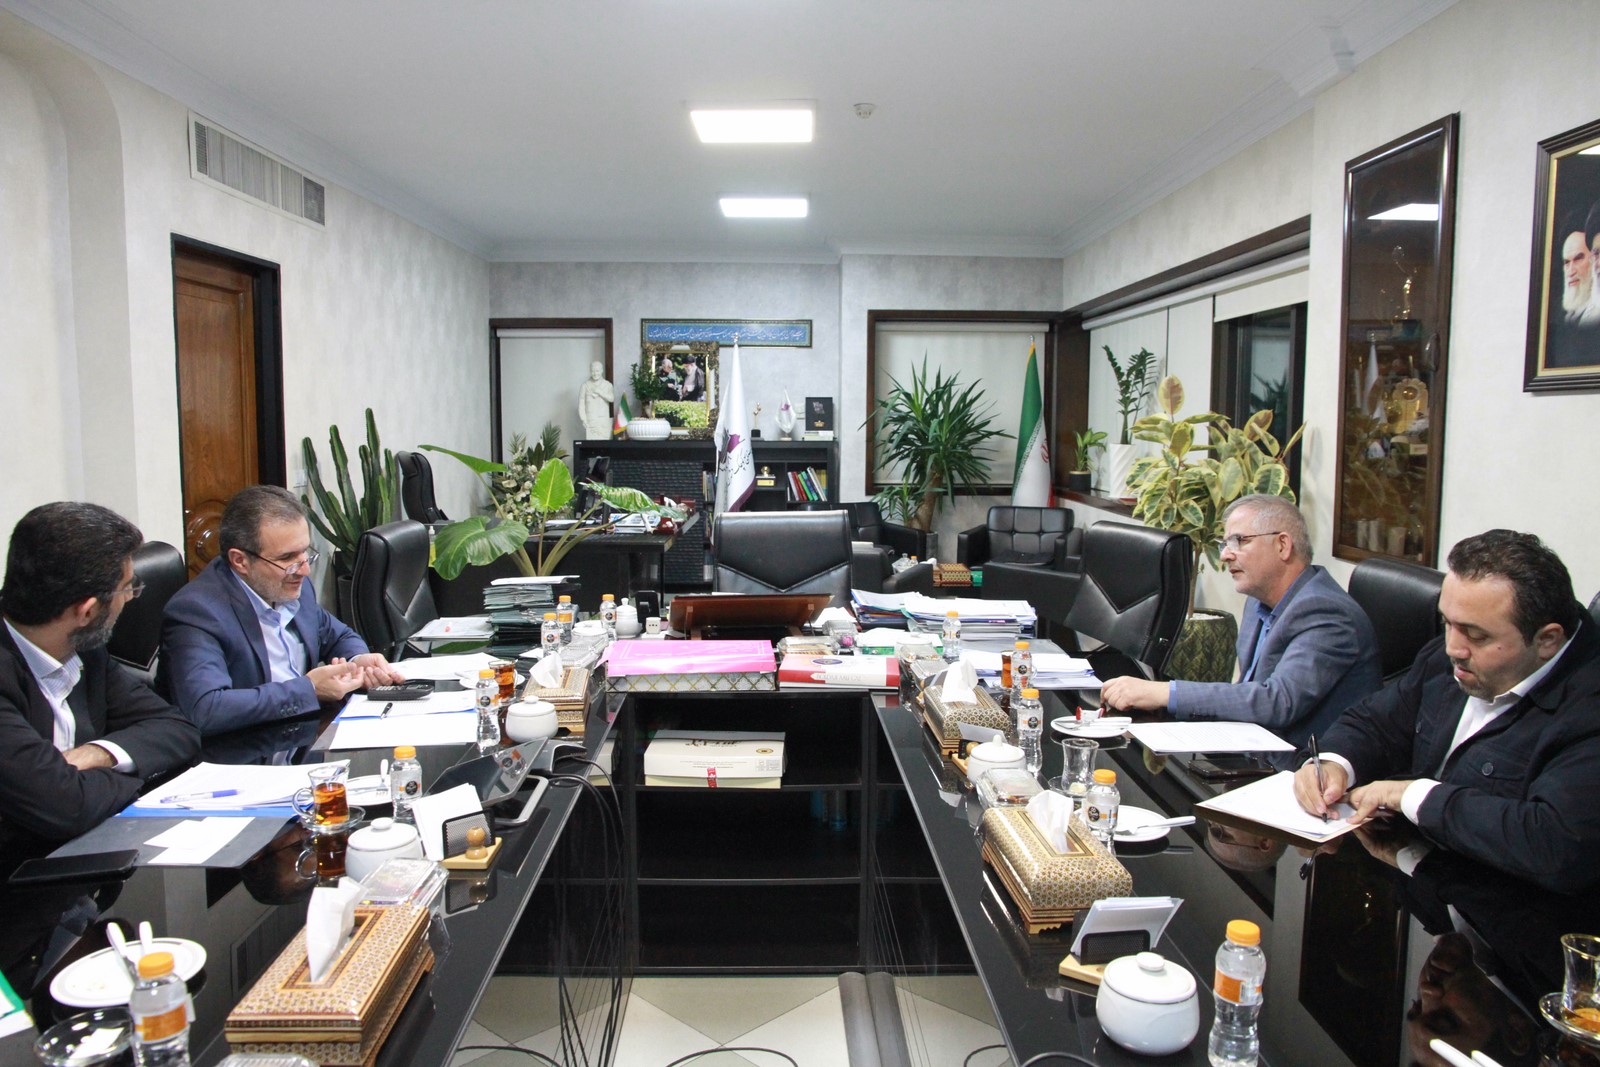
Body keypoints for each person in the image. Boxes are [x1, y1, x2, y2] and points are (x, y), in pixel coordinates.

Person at [1293, 529, 1600, 893]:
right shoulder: (1451, 657)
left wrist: (1413, 797)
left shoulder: (1587, 707)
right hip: (1421, 878)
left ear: (1547, 639)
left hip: (1511, 906)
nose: (1453, 647)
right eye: (1447, 623)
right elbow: (1377, 722)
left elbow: (1555, 842)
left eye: (1476, 635)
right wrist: (1334, 764)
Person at [1100, 495, 1381, 746]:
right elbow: (1247, 690)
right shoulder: (1258, 601)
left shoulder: (1326, 612)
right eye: (1225, 543)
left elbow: (1277, 701)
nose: (1225, 555)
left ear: (1283, 545)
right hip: (1252, 746)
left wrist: (1166, 693)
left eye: (1239, 541)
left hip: (1305, 768)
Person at [0, 503, 199, 844]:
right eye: (127, 587)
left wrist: (99, 754)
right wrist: (142, 777)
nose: (131, 597)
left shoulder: (84, 649)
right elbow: (67, 808)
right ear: (87, 612)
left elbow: (178, 729)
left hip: (89, 847)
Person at [158, 486, 403, 735]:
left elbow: (339, 636)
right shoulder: (196, 612)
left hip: (302, 734)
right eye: (287, 558)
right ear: (240, 561)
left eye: (305, 553)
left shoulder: (294, 586)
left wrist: (357, 661)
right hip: (243, 746)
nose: (304, 570)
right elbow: (206, 709)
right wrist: (309, 690)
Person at [577, 361, 615, 440]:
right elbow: (581, 404)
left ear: (602, 371)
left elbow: (611, 399)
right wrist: (583, 419)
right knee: (591, 444)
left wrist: (600, 392)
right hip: (591, 420)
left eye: (597, 371)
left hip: (603, 421)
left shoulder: (607, 385)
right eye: (593, 371)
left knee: (604, 444)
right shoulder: (585, 386)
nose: (595, 373)